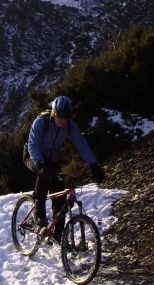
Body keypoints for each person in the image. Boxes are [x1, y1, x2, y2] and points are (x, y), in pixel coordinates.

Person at [23, 95, 105, 242]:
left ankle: (58, 235)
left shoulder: (69, 126)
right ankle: (39, 217)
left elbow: (81, 144)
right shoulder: (41, 122)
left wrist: (94, 165)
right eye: (60, 116)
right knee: (44, 175)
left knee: (60, 199)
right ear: (54, 113)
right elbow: (32, 145)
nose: (63, 120)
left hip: (52, 160)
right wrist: (40, 163)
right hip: (32, 156)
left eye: (66, 117)